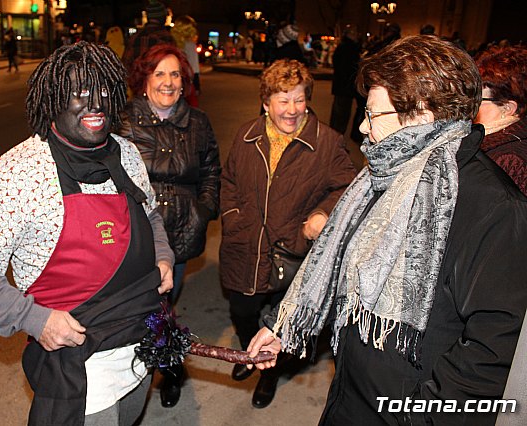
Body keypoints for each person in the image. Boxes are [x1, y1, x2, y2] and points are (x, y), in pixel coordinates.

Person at [248, 35, 527, 425]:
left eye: (374, 114)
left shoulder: (493, 207)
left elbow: (493, 347)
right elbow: (342, 263)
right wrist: (284, 324)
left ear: (424, 114)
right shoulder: (385, 176)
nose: (363, 127)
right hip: (350, 393)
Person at [0, 41, 174, 426]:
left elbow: (149, 213)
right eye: (79, 93)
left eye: (102, 90)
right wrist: (35, 319)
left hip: (140, 345)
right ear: (52, 99)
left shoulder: (127, 152)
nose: (95, 104)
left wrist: (162, 255)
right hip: (81, 369)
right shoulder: (17, 175)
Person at [220, 58, 356, 409]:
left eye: (299, 99)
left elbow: (348, 186)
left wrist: (322, 213)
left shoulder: (327, 143)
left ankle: (269, 373)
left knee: (281, 322)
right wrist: (234, 218)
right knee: (243, 312)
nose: (292, 109)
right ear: (266, 103)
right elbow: (229, 181)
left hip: (291, 252)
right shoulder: (247, 134)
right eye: (283, 99)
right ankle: (250, 355)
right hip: (245, 246)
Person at [116, 43, 221, 409]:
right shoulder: (123, 121)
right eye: (159, 73)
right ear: (144, 80)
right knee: (136, 307)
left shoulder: (199, 123)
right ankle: (135, 369)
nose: (168, 81)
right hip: (133, 235)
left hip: (179, 232)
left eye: (175, 73)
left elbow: (211, 172)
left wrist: (203, 210)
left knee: (164, 305)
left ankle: (171, 370)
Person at [474, 44, 527, 196]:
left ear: (508, 108)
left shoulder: (509, 160)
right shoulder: (496, 141)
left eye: (478, 99)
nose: (470, 106)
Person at [122, 0, 175, 75]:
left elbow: (125, 65)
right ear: (162, 17)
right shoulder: (166, 38)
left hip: (138, 84)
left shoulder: (135, 37)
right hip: (159, 83)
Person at [329, 25, 361, 136]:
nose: (357, 35)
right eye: (355, 33)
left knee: (338, 113)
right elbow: (349, 68)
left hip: (341, 85)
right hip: (345, 86)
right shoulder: (349, 49)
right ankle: (336, 139)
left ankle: (334, 137)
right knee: (342, 115)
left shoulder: (343, 47)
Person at [170, 15, 201, 107]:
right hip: (185, 83)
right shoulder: (190, 45)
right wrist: (197, 86)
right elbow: (194, 68)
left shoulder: (171, 43)